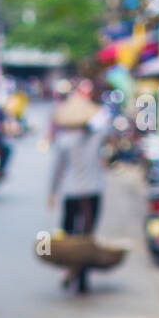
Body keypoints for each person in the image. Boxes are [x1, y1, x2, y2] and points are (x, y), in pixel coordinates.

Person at [47, 87, 109, 292]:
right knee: (87, 236)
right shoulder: (95, 137)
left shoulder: (64, 140)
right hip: (92, 192)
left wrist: (52, 193)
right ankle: (78, 273)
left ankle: (73, 271)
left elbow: (57, 170)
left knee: (71, 235)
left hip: (71, 193)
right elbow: (104, 120)